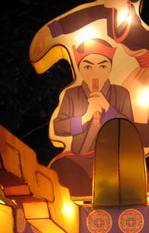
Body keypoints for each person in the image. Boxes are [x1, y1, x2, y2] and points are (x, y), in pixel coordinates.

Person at [30, 0, 149, 171]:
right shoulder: (74, 94)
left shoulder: (146, 34)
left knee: (139, 122)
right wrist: (50, 33)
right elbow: (86, 15)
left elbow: (135, 38)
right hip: (135, 76)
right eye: (88, 65)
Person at [49, 38, 133, 197]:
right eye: (88, 66)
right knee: (60, 173)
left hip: (113, 157)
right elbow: (58, 127)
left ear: (110, 68)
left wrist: (108, 108)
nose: (95, 72)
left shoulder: (121, 93)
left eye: (102, 65)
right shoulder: (72, 94)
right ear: (80, 69)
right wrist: (85, 117)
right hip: (78, 159)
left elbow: (130, 128)